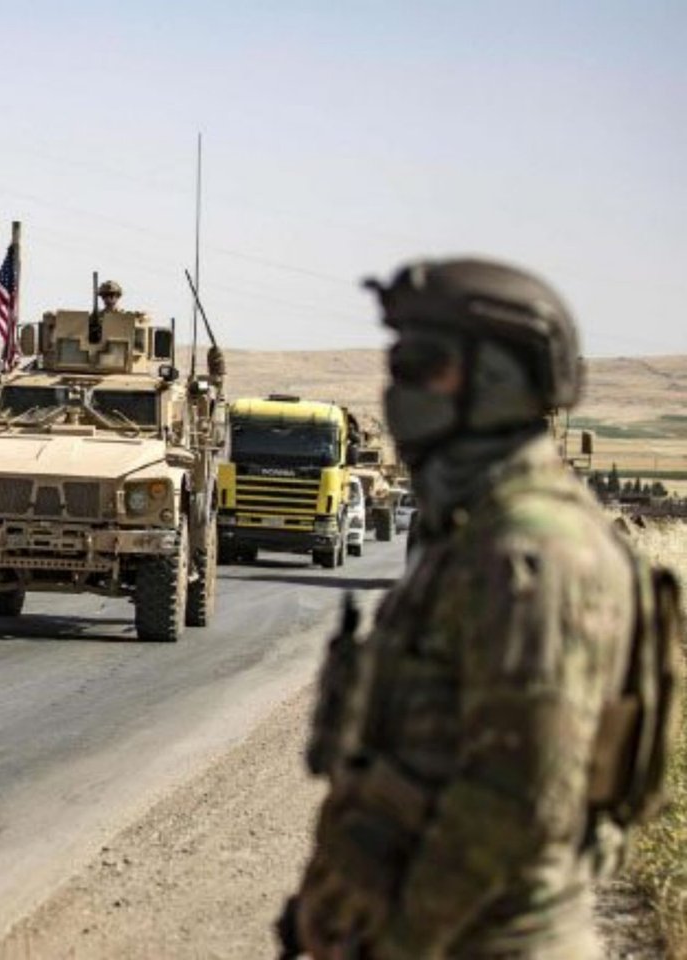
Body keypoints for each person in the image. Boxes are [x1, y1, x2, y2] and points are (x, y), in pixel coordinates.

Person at [285, 257, 679, 959]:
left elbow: (515, 808)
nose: (396, 392)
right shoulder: (473, 533)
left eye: (420, 366)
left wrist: (394, 939)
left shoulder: (534, 556)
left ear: (497, 381)